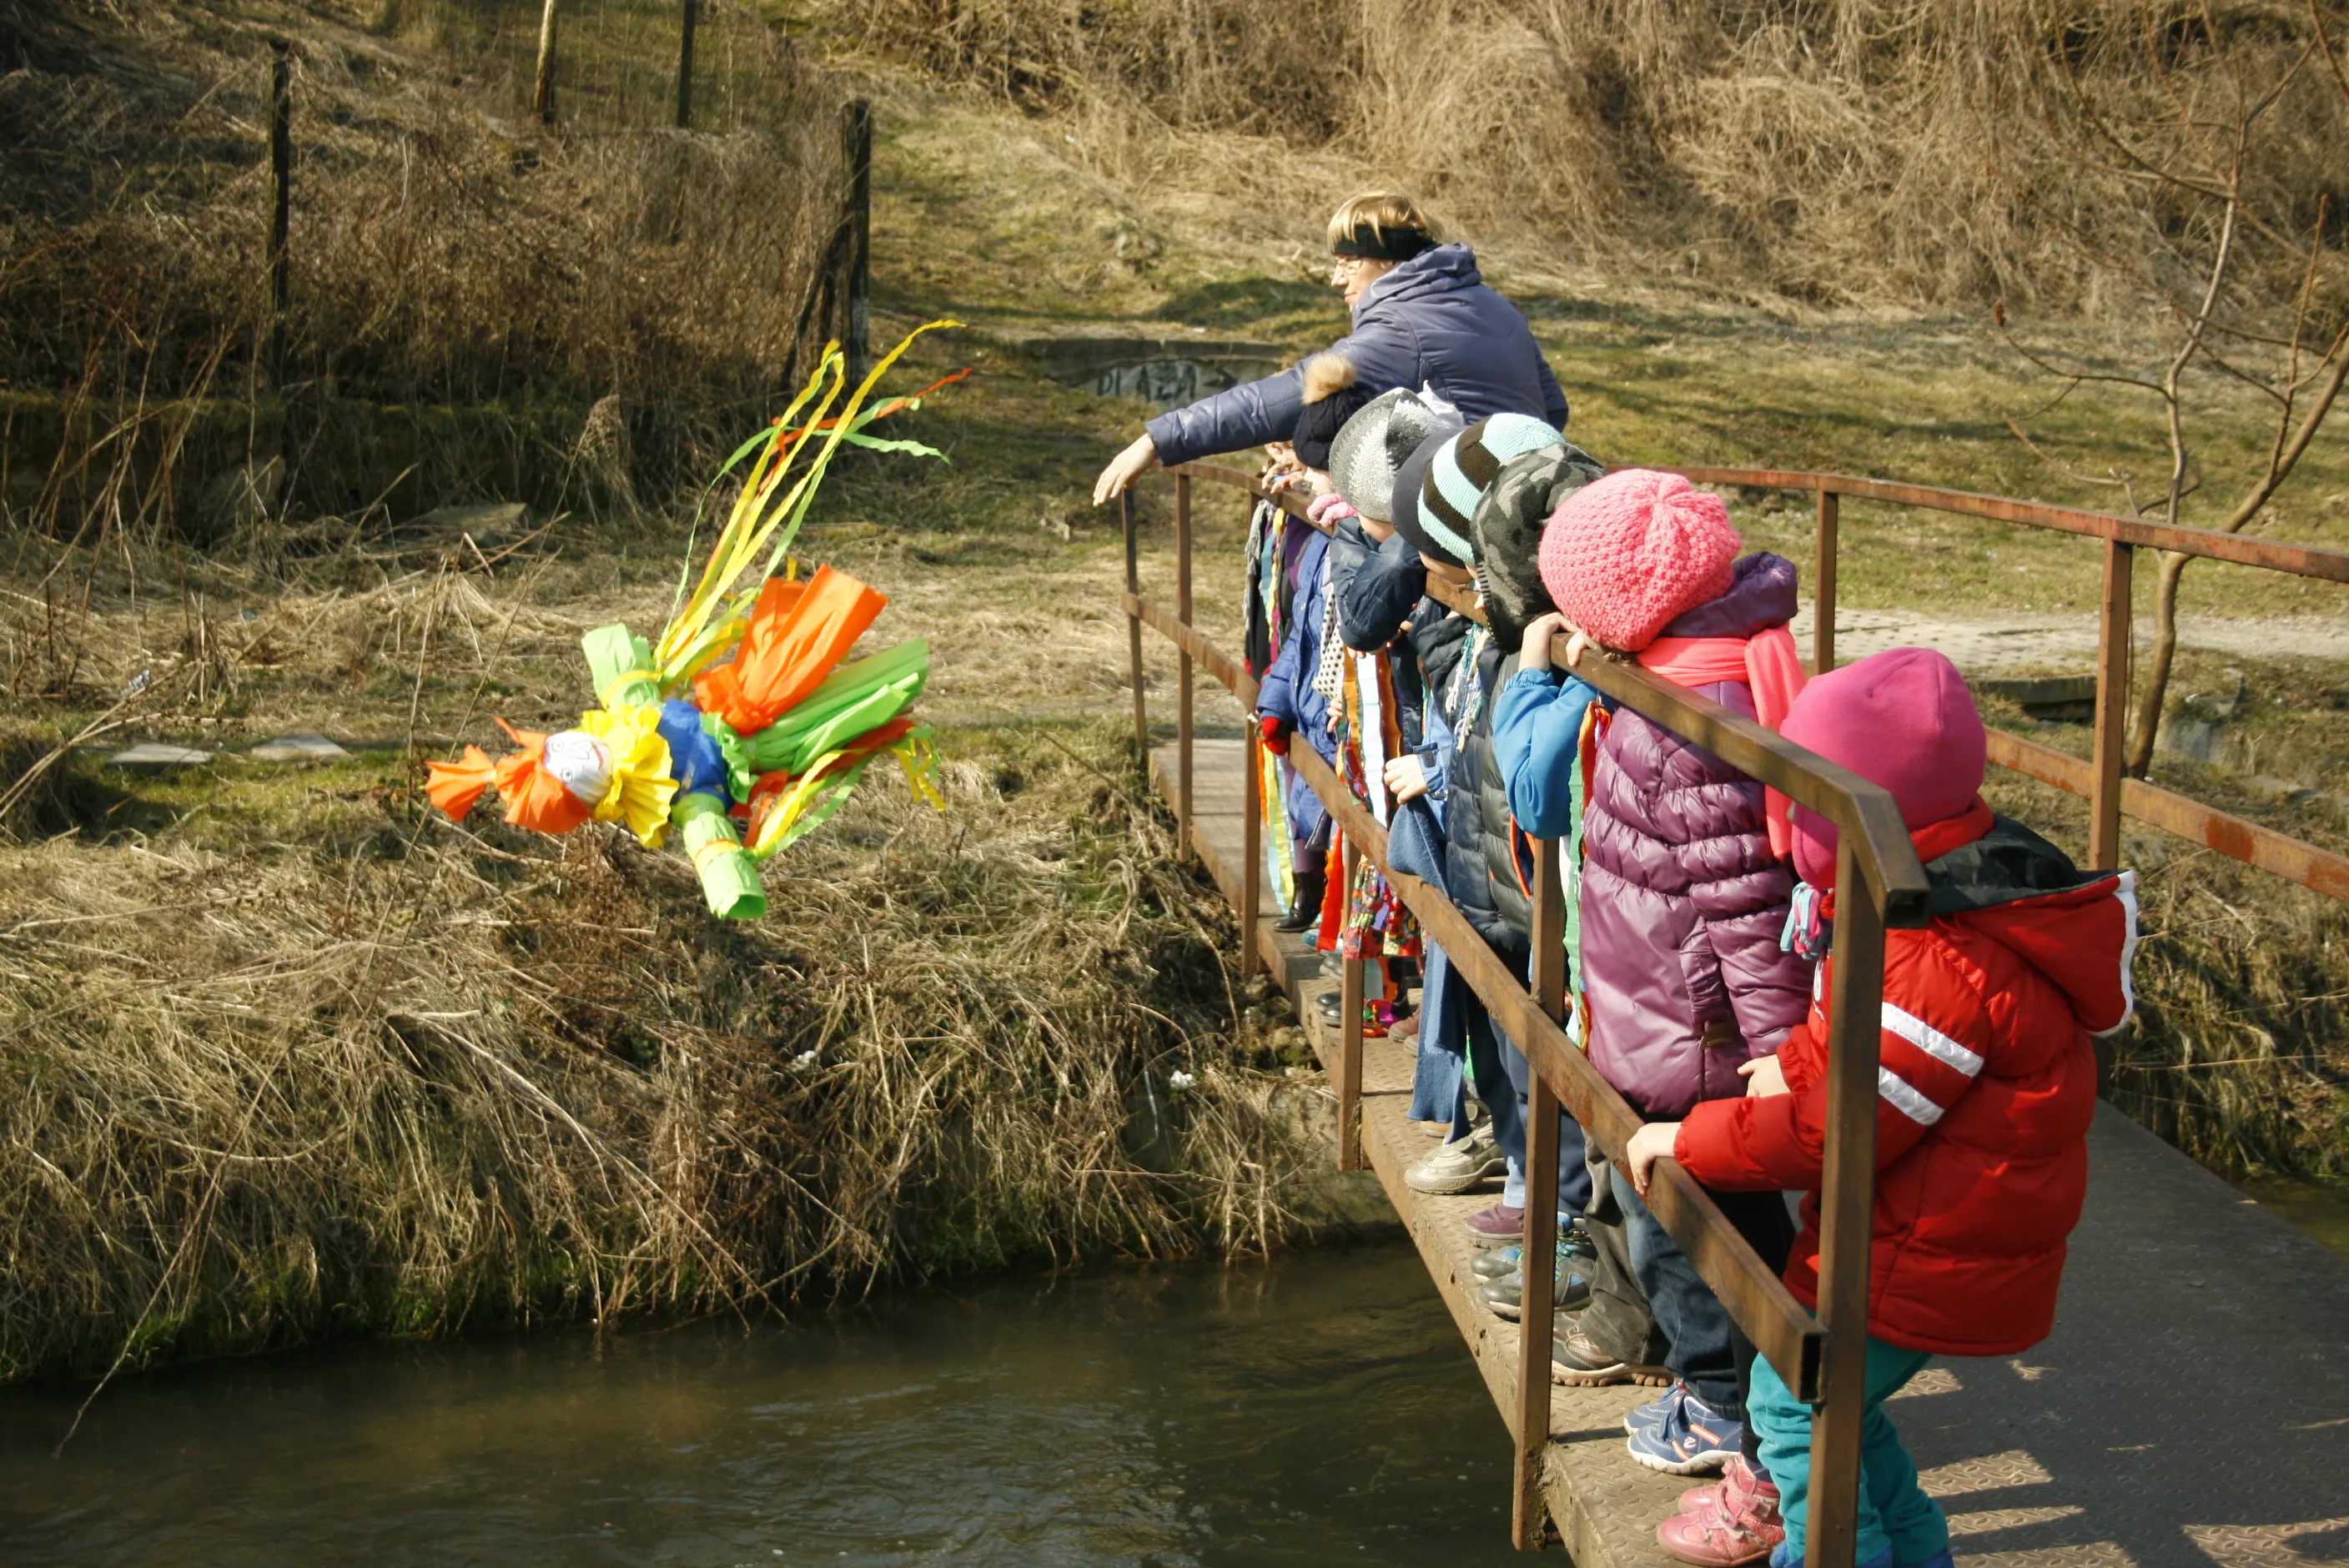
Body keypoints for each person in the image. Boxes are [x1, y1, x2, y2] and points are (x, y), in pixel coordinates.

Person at [1624, 646, 2139, 1568]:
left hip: (1926, 1248)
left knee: (1794, 1402)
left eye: (1804, 799)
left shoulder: (1938, 955)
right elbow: (1843, 1037)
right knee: (1834, 1405)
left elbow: (1836, 1128)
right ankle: (1911, 1549)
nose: (1790, 822)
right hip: (1909, 1226)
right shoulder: (1919, 898)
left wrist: (1690, 1136)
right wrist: (1790, 1059)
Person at [1522, 470, 1811, 1486]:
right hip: (1666, 1005)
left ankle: (1722, 1406)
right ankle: (1744, 1388)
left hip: (1689, 1035)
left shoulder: (1684, 725)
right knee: (1714, 1222)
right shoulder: (1711, 660)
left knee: (1680, 1227)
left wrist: (1780, 1054)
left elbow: (1742, 903)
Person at [1091, 192, 1569, 505]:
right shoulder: (1491, 303)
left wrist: (1158, 439)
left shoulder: (1402, 328)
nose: (1336, 278)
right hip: (1534, 497)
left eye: (1348, 262)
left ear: (1386, 262)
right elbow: (1551, 407)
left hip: (1467, 521)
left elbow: (1280, 397)